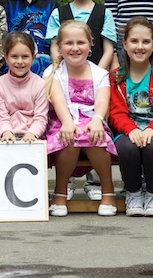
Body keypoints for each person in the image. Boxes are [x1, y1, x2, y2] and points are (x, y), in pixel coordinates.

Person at [44, 20, 117, 218]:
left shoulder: (100, 73)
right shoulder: (52, 73)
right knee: (68, 137)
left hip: (92, 119)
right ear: (59, 46)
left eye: (81, 42)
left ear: (91, 44)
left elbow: (103, 100)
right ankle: (60, 192)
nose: (75, 48)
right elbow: (58, 100)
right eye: (69, 43)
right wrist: (68, 122)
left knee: (96, 136)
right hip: (62, 121)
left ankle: (108, 191)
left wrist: (97, 119)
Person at [109, 17, 153, 218]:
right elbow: (116, 113)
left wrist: (152, 129)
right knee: (127, 147)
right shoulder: (116, 77)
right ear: (125, 44)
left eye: (146, 42)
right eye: (134, 41)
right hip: (128, 131)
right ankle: (133, 194)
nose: (140, 47)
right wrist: (132, 130)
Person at [46, 0, 116, 70]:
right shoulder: (58, 14)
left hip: (96, 75)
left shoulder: (104, 14)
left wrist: (97, 75)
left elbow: (108, 50)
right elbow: (54, 48)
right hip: (65, 75)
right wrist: (60, 71)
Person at [0, 32, 49, 143]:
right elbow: (1, 116)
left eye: (25, 57)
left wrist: (32, 133)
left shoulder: (40, 85)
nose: (19, 62)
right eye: (14, 57)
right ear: (6, 57)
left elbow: (40, 117)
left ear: (33, 57)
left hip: (33, 137)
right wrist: (6, 132)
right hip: (5, 137)